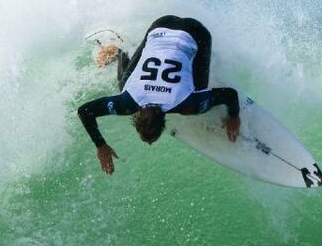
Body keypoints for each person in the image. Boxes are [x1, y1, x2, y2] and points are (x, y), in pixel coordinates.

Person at [77, 15, 241, 175]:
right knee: (124, 88)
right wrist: (100, 146)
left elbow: (230, 95)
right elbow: (84, 111)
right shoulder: (126, 102)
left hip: (196, 32)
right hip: (160, 26)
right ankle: (120, 51)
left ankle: (121, 51)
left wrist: (233, 117)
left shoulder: (190, 105)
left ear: (164, 122)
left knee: (200, 90)